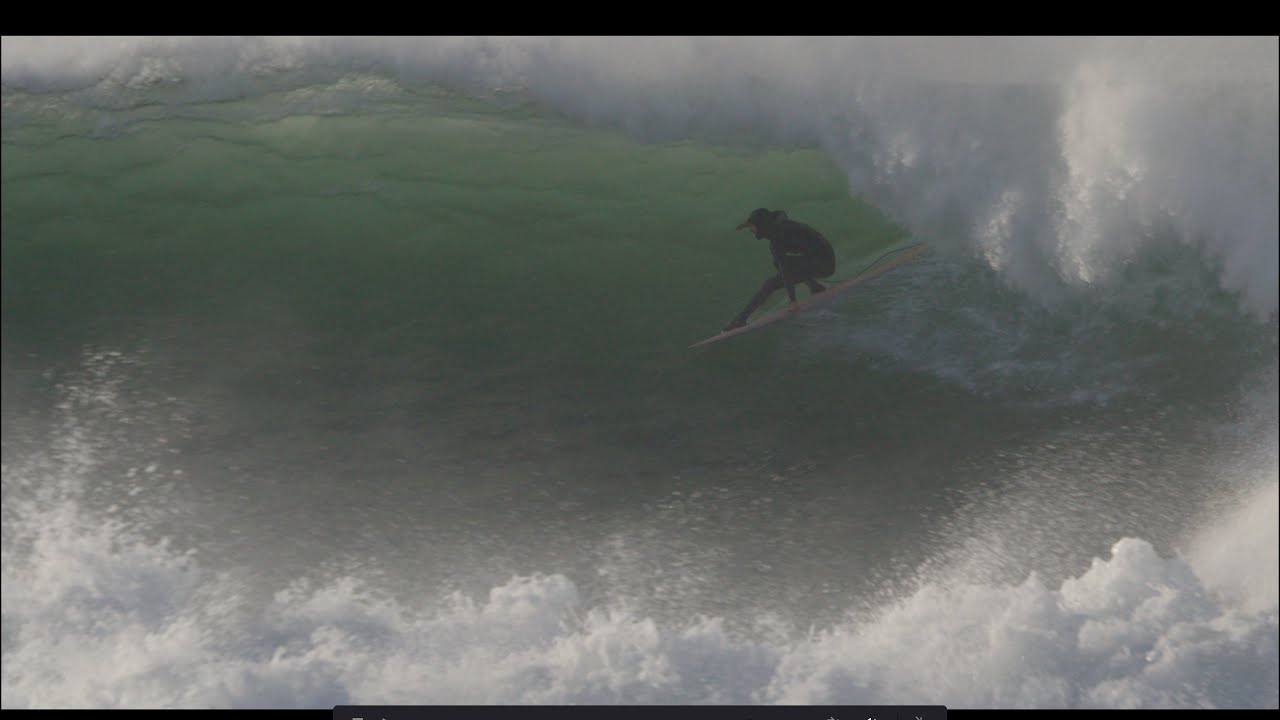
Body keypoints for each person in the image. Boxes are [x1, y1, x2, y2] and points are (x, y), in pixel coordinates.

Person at [723, 208, 836, 331]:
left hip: (822, 264)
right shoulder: (782, 227)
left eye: (753, 227)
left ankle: (740, 320)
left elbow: (785, 270)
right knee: (779, 262)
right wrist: (747, 224)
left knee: (770, 283)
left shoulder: (777, 238)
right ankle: (815, 286)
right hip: (825, 260)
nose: (751, 230)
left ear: (762, 226)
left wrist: (792, 301)